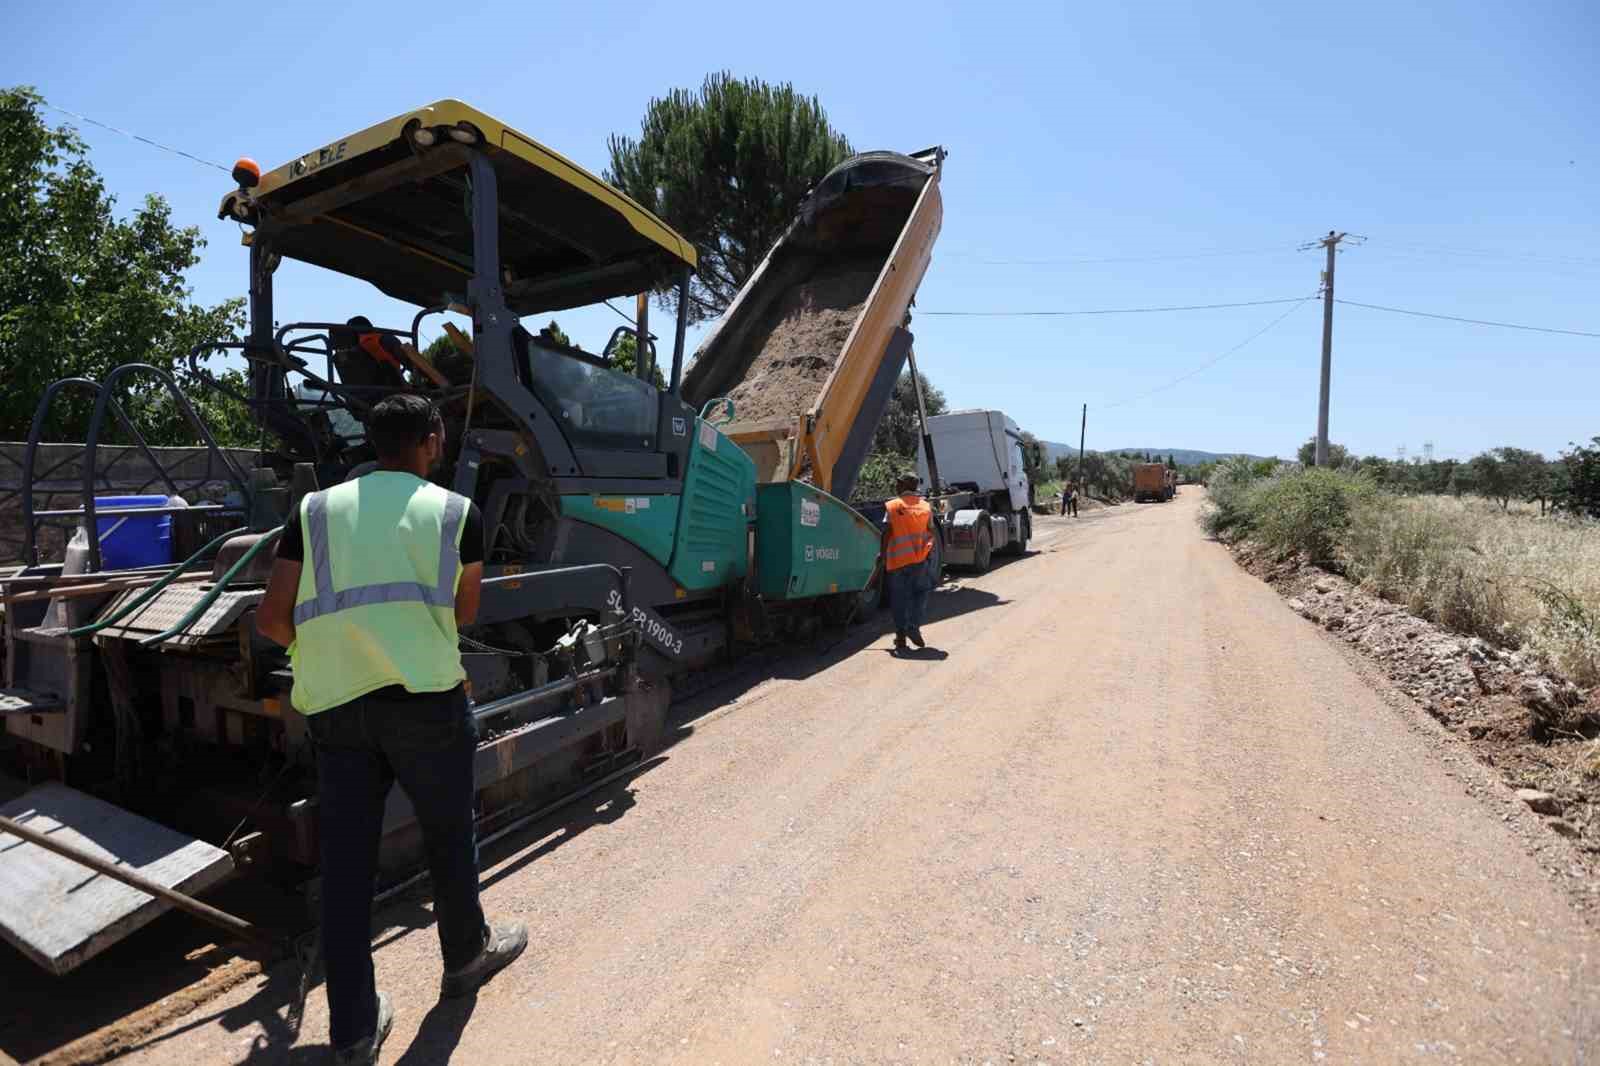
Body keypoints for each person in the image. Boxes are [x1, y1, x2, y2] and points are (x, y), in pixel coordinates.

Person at [257, 394, 526, 1065]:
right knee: (448, 835)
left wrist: (322, 651)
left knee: (346, 867)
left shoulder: (312, 511)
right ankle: (464, 957)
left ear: (372, 444)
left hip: (337, 709)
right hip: (427, 703)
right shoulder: (457, 514)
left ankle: (351, 1033)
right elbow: (461, 613)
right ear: (433, 440)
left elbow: (271, 619)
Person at [883, 474, 936, 654]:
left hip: (897, 561)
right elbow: (932, 530)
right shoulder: (925, 507)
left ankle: (900, 639)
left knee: (899, 599)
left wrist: (882, 555)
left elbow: (887, 532)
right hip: (919, 560)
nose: (896, 485)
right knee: (920, 593)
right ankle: (913, 626)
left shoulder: (893, 505)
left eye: (898, 482)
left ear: (904, 485)